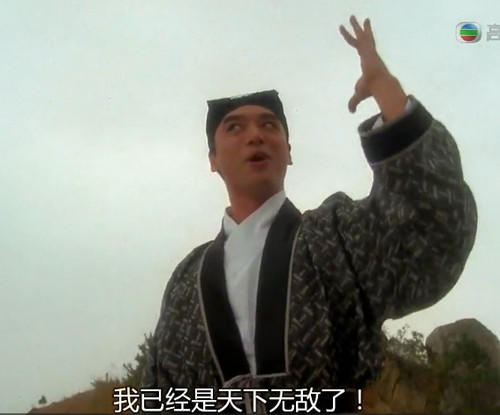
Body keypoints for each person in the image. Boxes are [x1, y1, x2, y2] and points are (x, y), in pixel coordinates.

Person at [139, 15, 477, 413]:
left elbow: (432, 221)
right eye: (234, 128)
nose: (255, 135)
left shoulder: (335, 236)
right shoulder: (186, 280)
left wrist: (385, 87)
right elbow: (158, 395)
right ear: (212, 159)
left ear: (288, 151)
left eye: (269, 125)